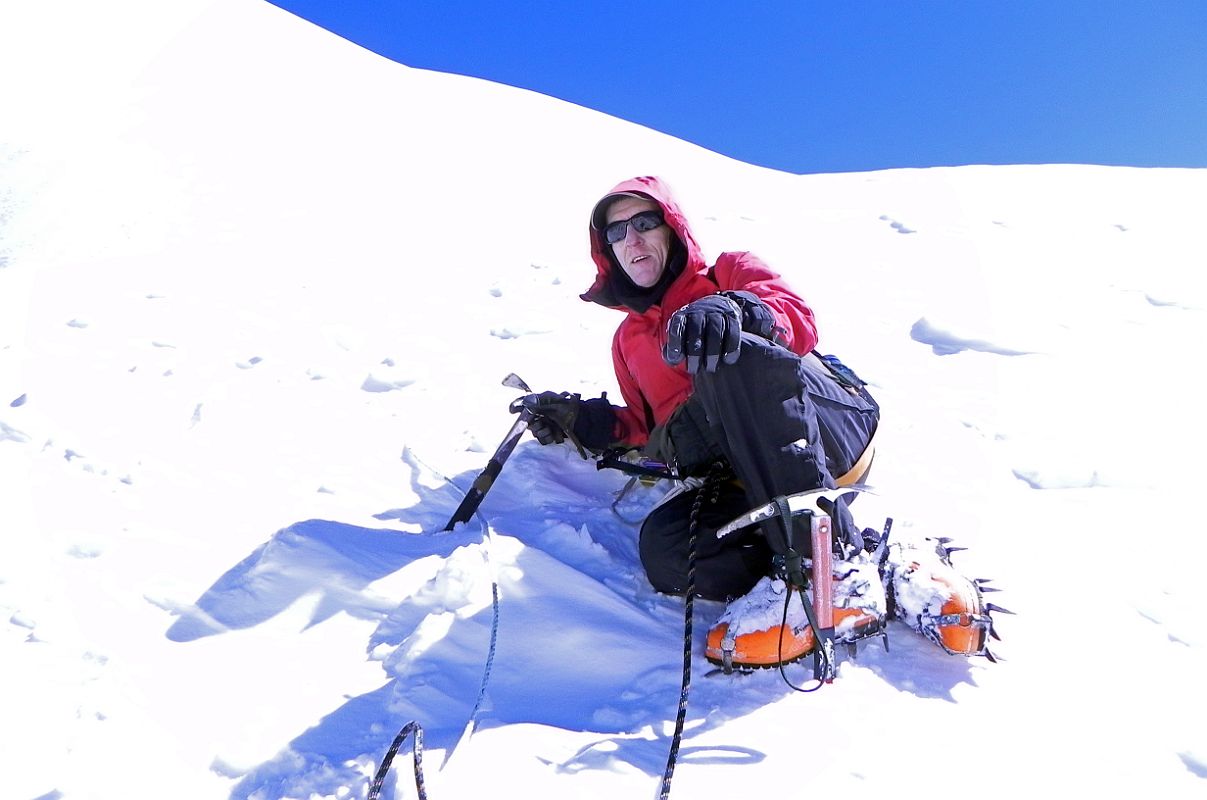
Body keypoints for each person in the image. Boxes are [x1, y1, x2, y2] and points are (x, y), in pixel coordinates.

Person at [525, 176, 996, 668]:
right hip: (744, 472)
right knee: (668, 551)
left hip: (823, 425)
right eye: (616, 233)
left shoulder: (727, 271)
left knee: (725, 352)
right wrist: (583, 421)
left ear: (672, 229)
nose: (632, 239)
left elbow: (795, 319)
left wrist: (734, 309)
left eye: (645, 223)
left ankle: (824, 567)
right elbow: (649, 430)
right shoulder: (628, 341)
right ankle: (869, 560)